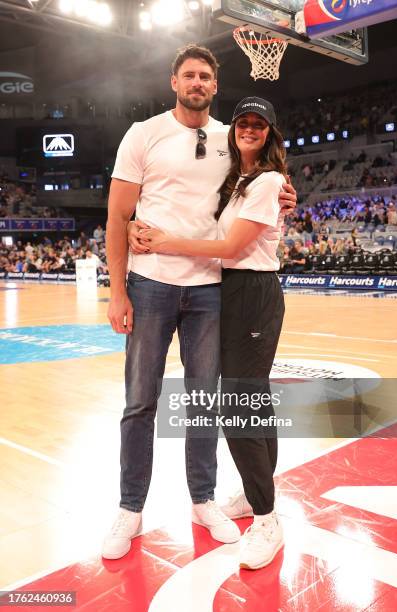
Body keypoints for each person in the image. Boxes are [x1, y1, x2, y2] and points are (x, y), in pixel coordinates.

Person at [104, 44, 297, 561]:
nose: (197, 82)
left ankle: (203, 498)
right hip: (150, 284)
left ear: (215, 86)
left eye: (205, 77)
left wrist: (286, 194)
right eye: (188, 74)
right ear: (174, 81)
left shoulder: (229, 141)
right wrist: (117, 289)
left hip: (211, 289)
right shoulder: (143, 134)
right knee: (140, 402)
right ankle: (130, 507)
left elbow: (264, 179)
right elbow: (117, 214)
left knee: (206, 403)